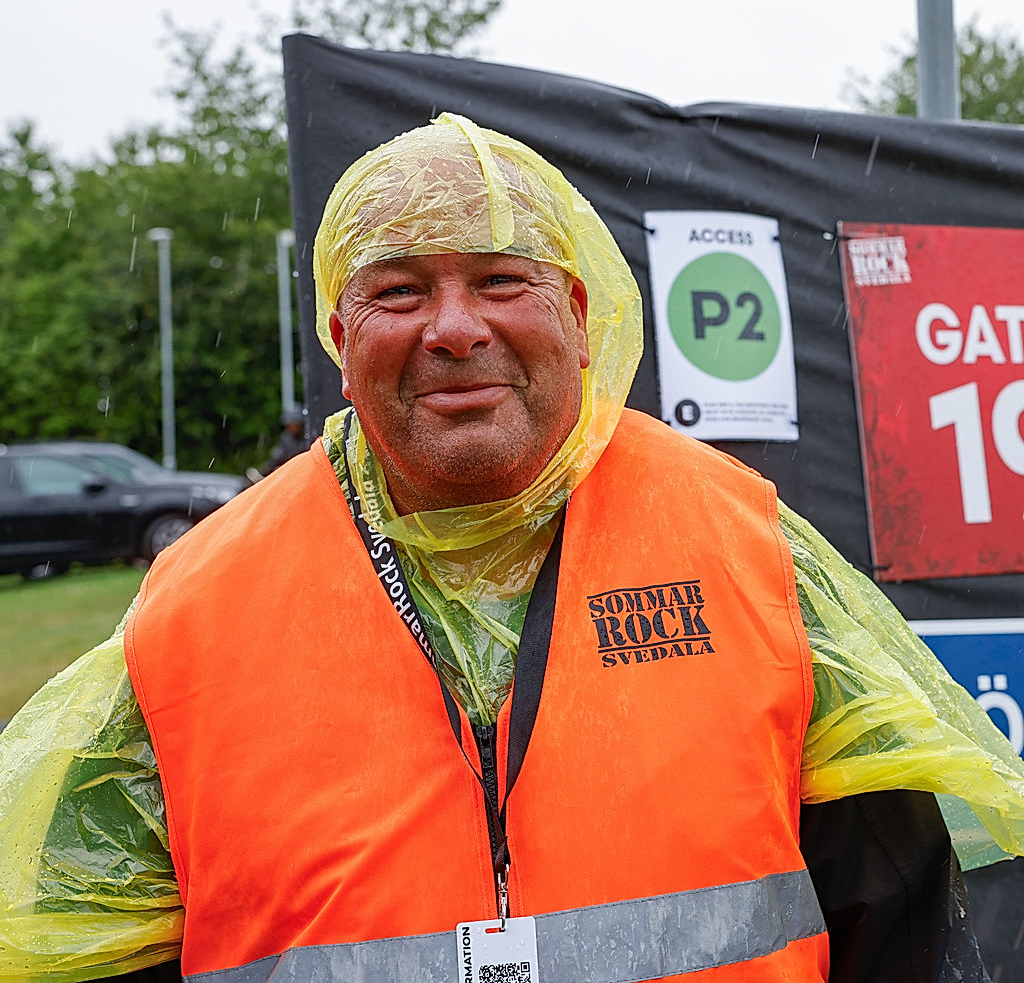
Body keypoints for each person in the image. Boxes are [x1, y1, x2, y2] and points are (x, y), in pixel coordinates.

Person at [2, 113, 1024, 983]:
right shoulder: (195, 605)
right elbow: (83, 943)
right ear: (337, 336)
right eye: (397, 291)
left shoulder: (748, 548)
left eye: (499, 280)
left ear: (579, 318)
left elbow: (904, 923)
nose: (454, 328)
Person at [258, 408, 307, 477]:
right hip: (293, 473)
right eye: (287, 425)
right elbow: (277, 457)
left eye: (292, 424)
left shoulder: (310, 436)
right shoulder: (287, 438)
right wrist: (264, 471)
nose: (289, 428)